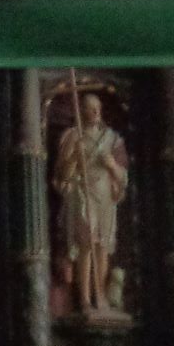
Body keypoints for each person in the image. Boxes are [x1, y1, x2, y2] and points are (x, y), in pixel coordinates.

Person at [52, 91, 130, 318]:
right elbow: (62, 176)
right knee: (86, 245)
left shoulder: (112, 139)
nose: (95, 112)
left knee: (102, 247)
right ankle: (85, 298)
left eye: (98, 108)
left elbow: (123, 176)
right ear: (82, 111)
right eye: (90, 108)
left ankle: (100, 295)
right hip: (82, 195)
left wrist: (111, 166)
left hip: (105, 196)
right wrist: (75, 158)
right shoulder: (72, 136)